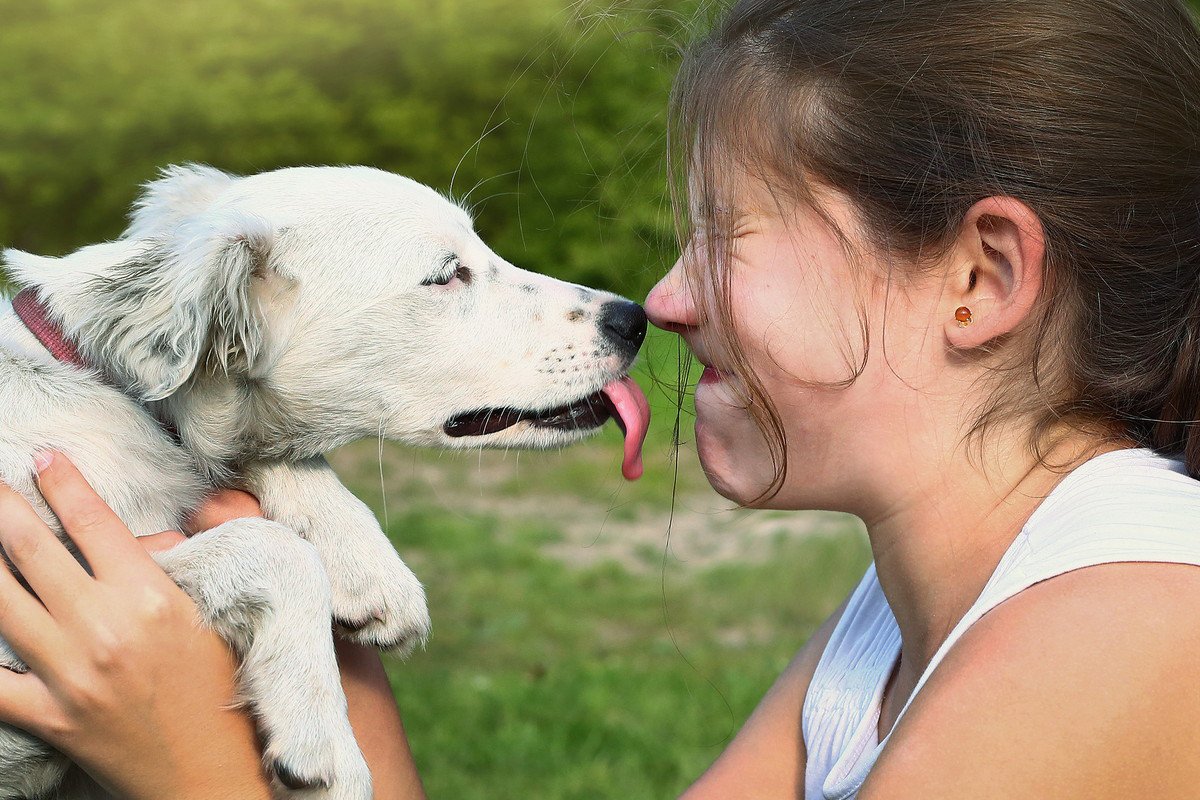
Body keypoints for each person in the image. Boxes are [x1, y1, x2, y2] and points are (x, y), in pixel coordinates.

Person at [6, 0, 1200, 796]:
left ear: (978, 277)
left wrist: (197, 769)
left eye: (723, 234)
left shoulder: (1126, 630)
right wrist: (284, 512)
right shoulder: (892, 625)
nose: (665, 297)